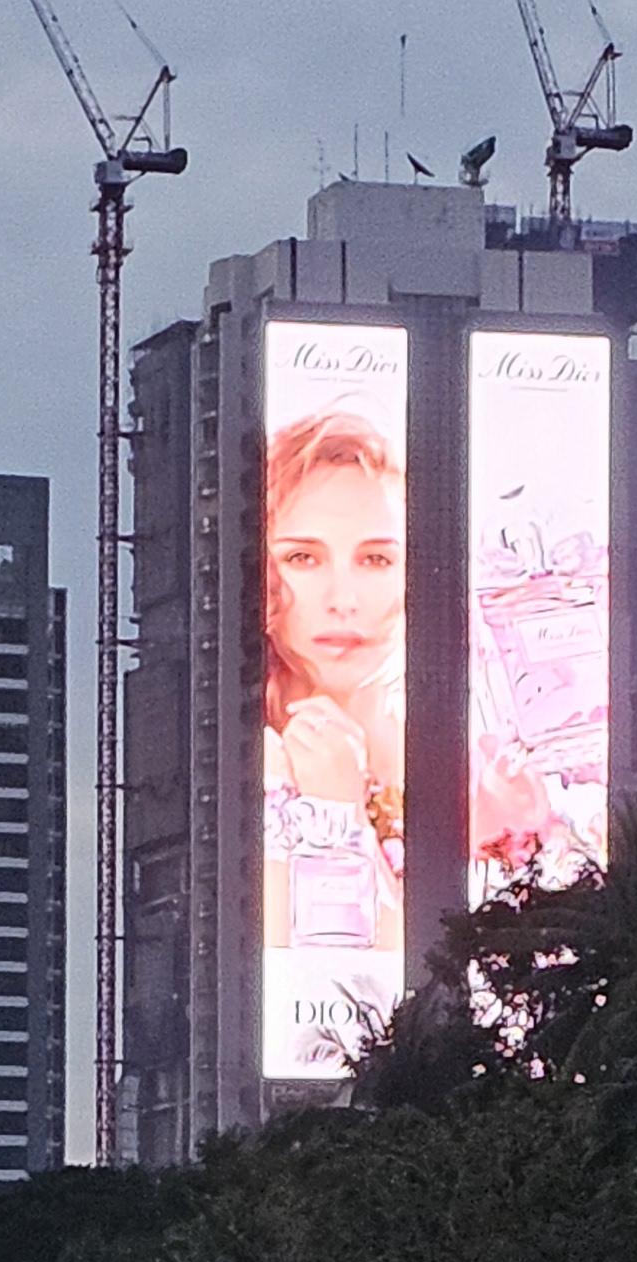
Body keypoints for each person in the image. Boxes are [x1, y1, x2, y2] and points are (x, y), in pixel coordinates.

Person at [262, 408, 405, 977]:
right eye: (303, 558)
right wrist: (335, 818)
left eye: (375, 559)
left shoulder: (480, 765)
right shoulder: (258, 771)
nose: (342, 598)